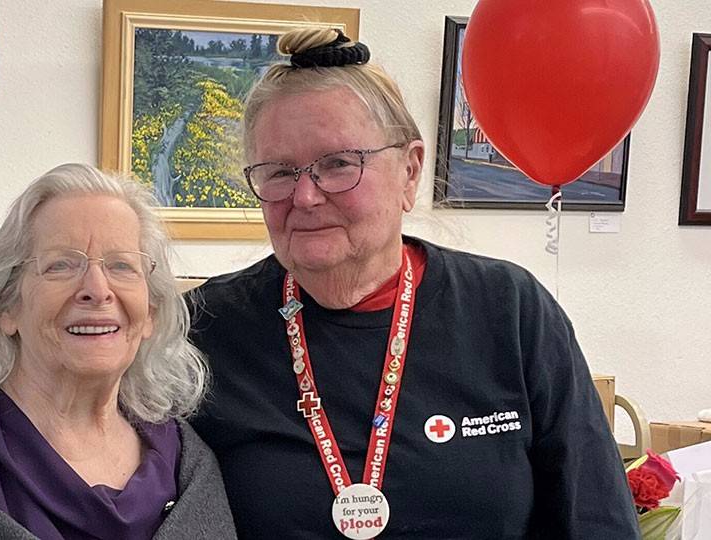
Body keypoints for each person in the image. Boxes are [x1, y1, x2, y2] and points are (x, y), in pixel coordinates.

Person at [187, 28, 639, 539]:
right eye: (278, 171)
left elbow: (596, 520)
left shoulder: (509, 311)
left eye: (338, 164)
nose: (306, 196)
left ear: (410, 171)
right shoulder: (204, 329)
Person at [0, 164, 235, 540]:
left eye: (121, 266)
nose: (97, 289)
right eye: (61, 265)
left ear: (151, 314)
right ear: (7, 307)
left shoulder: (183, 462)